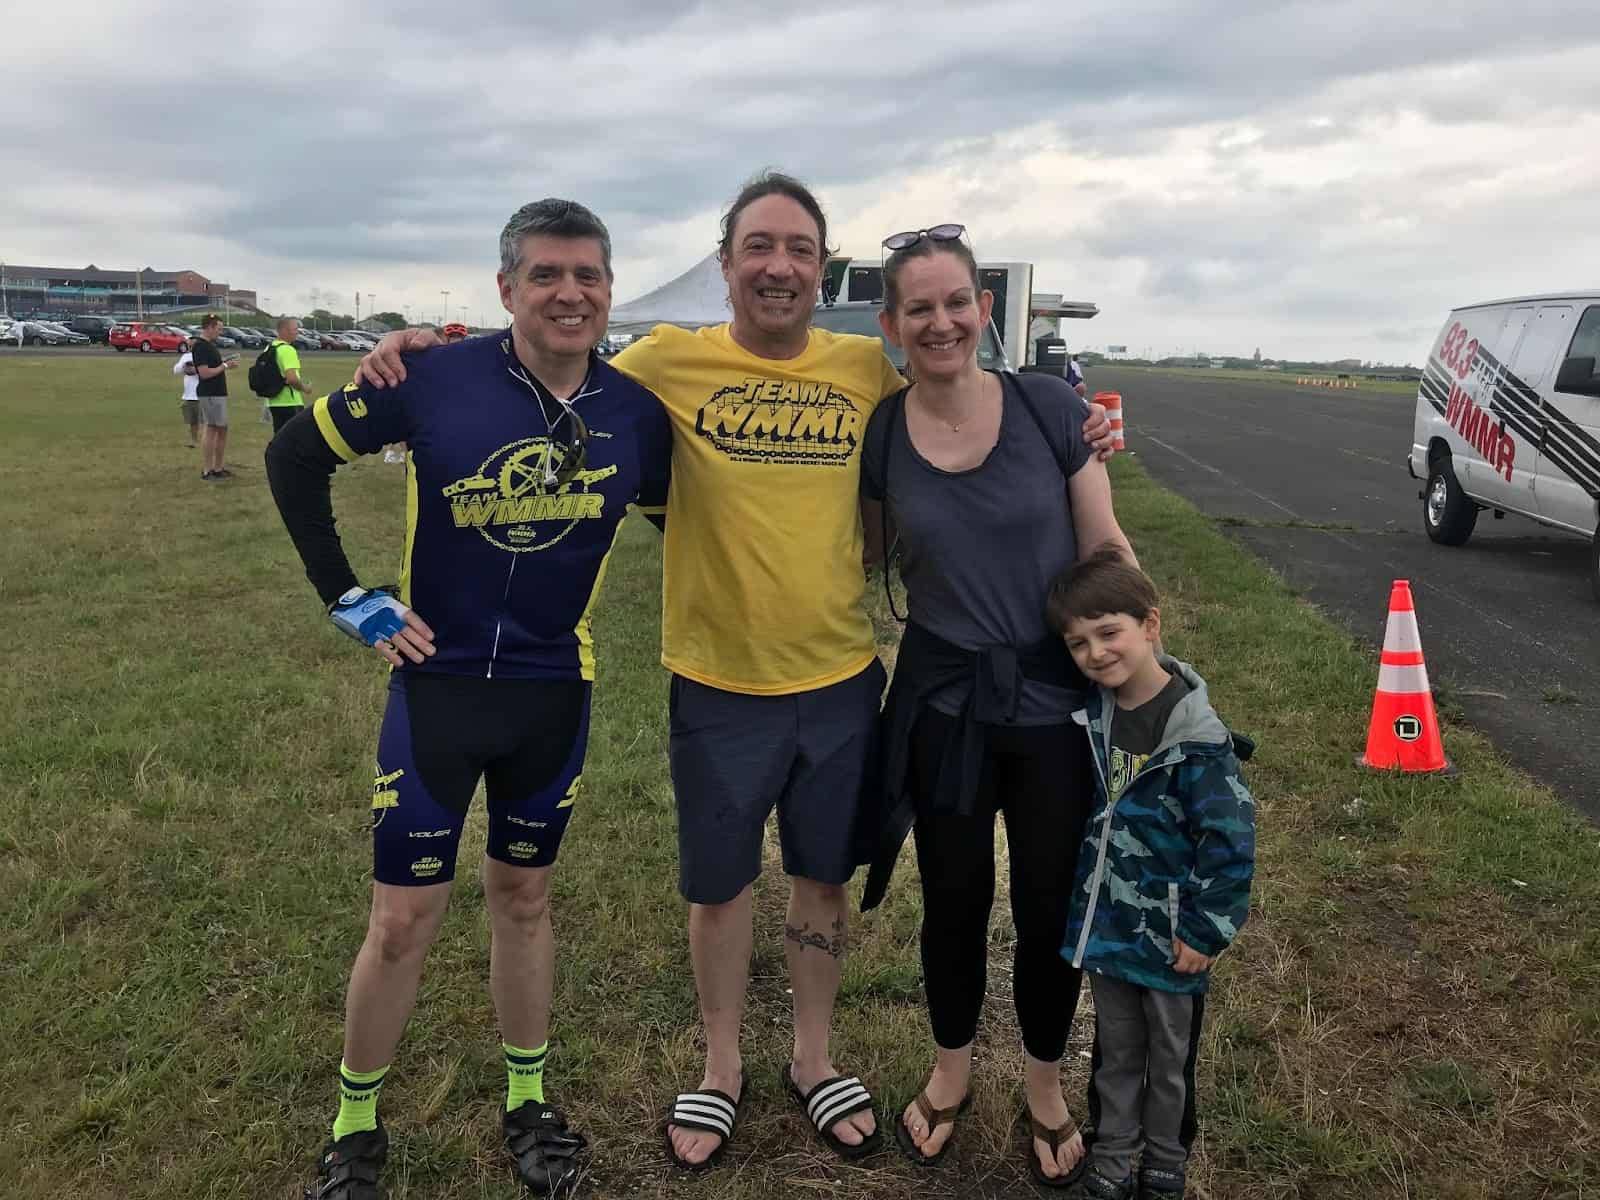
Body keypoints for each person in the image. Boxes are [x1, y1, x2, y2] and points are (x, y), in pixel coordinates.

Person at [354, 172, 1116, 1171]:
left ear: (823, 268)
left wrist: (1089, 423)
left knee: (818, 884)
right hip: (716, 678)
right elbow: (548, 360)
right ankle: (720, 1067)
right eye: (759, 246)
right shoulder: (663, 361)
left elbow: (967, 401)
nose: (779, 266)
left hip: (841, 680)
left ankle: (810, 1056)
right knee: (717, 890)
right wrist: (421, 348)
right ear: (724, 264)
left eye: (800, 248)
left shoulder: (866, 369)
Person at [265, 198, 671, 1200]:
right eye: (545, 274)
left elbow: (707, 522)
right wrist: (348, 598)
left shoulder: (634, 413)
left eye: (587, 275)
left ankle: (528, 1103)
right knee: (401, 921)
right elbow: (292, 456)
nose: (568, 292)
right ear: (506, 289)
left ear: (609, 289)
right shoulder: (430, 376)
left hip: (549, 698)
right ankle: (355, 1124)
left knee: (524, 899)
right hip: (435, 695)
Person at [857, 227, 1135, 1187]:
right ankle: (950, 1072)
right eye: (918, 307)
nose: (940, 322)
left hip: (1055, 696)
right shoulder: (882, 432)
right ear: (891, 326)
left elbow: (1105, 546)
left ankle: (1047, 1086)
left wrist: (1143, 666)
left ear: (984, 309)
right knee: (956, 900)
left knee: (1051, 903)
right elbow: (858, 551)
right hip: (943, 701)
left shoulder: (1053, 408)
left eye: (957, 301)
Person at [1046, 549, 1255, 1200]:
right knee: (1114, 1056)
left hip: (1172, 942)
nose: (1097, 652)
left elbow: (1229, 843)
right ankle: (1112, 1158)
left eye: (1110, 632)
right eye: (1078, 643)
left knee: (1169, 1065)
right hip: (1109, 936)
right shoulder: (1095, 716)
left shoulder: (1198, 739)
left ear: (1151, 625)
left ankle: (1164, 1163)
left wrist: (1206, 930)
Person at [190, 315, 236, 480]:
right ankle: (208, 470)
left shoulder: (209, 346)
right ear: (209, 327)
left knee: (221, 429)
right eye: (219, 328)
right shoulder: (201, 346)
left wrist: (223, 363)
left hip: (217, 393)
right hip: (210, 393)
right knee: (212, 429)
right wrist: (224, 366)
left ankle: (218, 468)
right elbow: (204, 373)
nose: (220, 332)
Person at [264, 316, 315, 434]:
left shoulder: (269, 348)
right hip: (290, 402)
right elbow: (292, 379)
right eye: (295, 329)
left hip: (273, 401)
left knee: (280, 438)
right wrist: (304, 388)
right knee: (294, 440)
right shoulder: (287, 350)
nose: (297, 332)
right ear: (284, 330)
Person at [173, 338, 200, 447]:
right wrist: (185, 365)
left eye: (192, 345)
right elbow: (175, 370)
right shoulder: (186, 356)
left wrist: (195, 368)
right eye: (189, 345)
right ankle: (194, 441)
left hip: (201, 394)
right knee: (192, 422)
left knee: (204, 422)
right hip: (189, 395)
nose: (190, 347)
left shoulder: (203, 356)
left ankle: (206, 441)